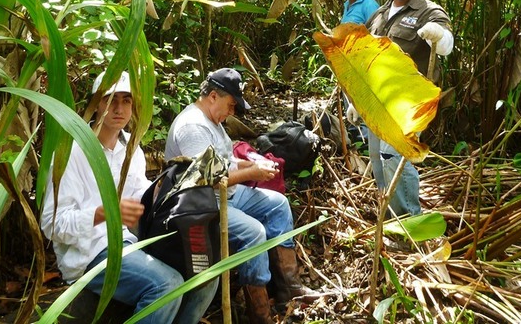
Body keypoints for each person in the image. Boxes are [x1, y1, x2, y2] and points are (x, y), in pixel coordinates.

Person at [40, 71, 218, 324]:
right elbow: (52, 224)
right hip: (89, 253)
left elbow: (139, 197)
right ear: (96, 104)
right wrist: (105, 212)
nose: (119, 108)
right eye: (110, 100)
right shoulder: (73, 152)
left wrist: (171, 188)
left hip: (128, 242)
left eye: (126, 100)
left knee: (204, 277)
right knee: (166, 286)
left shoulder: (131, 150)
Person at [165, 68, 319, 324]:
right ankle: (259, 313)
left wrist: (252, 163)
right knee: (254, 232)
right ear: (213, 96)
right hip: (200, 204)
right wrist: (253, 170)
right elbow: (207, 180)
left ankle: (288, 289)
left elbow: (224, 162)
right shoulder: (193, 127)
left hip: (227, 194)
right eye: (231, 105)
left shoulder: (213, 121)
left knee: (278, 205)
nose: (232, 112)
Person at [361, 0, 454, 216]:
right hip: (377, 98)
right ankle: (389, 215)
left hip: (409, 102)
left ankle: (408, 219)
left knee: (396, 157)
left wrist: (438, 35)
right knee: (378, 160)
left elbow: (446, 45)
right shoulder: (379, 14)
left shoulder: (429, 11)